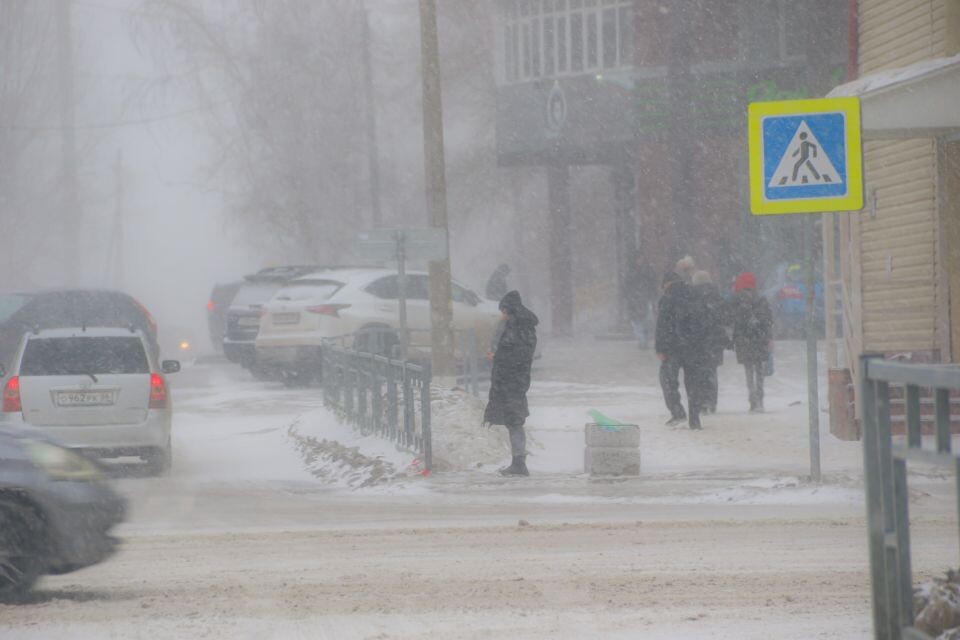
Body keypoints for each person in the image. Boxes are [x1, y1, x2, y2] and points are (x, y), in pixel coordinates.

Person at [483, 290, 539, 476]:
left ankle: (519, 464)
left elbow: (515, 357)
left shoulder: (518, 329)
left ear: (510, 310)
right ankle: (518, 462)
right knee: (513, 421)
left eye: (504, 311)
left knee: (514, 421)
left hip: (513, 382)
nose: (502, 315)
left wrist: (497, 357)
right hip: (514, 381)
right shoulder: (519, 327)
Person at [729, 271, 774, 413]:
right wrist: (768, 337)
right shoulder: (761, 300)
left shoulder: (737, 300)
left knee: (748, 370)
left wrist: (734, 339)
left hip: (744, 341)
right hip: (759, 339)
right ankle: (760, 400)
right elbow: (768, 321)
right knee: (759, 370)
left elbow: (733, 321)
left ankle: (752, 400)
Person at [691, 270, 729, 414]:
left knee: (698, 373)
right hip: (715, 341)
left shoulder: (692, 297)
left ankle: (701, 402)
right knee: (712, 372)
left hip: (698, 341)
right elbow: (725, 317)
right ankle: (712, 402)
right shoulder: (717, 297)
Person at [655, 271, 688, 426]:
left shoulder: (667, 299)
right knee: (693, 381)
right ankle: (697, 412)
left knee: (668, 380)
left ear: (667, 284)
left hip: (671, 346)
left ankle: (677, 412)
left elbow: (662, 326)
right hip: (691, 345)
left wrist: (660, 348)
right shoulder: (691, 295)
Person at [623, 254, 657, 347]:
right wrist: (628, 295)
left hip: (645, 299)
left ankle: (644, 339)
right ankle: (642, 340)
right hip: (635, 300)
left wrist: (653, 294)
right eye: (638, 258)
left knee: (647, 320)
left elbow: (653, 282)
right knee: (637, 321)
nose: (640, 260)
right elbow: (626, 285)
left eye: (641, 258)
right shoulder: (631, 271)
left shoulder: (648, 270)